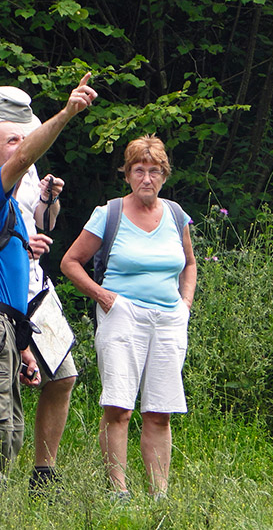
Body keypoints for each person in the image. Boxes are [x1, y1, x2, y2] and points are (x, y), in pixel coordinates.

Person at [0, 73, 97, 478]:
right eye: (13, 141)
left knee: (7, 432)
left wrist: (23, 346)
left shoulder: (15, 200)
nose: (22, 146)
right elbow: (23, 160)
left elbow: (34, 233)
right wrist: (66, 114)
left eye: (22, 138)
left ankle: (31, 484)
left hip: (10, 321)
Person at [60, 135, 197, 500]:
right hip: (123, 317)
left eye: (154, 171)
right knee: (119, 406)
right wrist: (106, 297)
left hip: (169, 319)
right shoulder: (110, 214)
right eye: (139, 170)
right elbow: (70, 263)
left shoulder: (176, 214)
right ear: (128, 175)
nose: (147, 179)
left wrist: (185, 303)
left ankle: (159, 495)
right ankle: (118, 490)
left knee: (160, 411)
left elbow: (190, 263)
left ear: (165, 175)